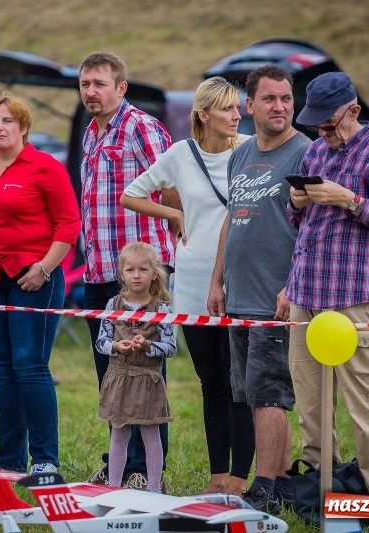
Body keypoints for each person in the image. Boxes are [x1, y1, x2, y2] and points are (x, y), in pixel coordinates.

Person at [287, 72, 369, 533]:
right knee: (312, 408)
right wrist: (298, 202)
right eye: (316, 125)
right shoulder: (317, 151)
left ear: (354, 112)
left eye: (328, 124)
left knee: (365, 406)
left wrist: (352, 200)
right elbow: (299, 223)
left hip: (355, 300)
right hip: (306, 296)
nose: (321, 132)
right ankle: (327, 499)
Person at [121, 77, 255, 495]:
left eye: (238, 108)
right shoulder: (181, 154)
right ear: (203, 114)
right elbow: (131, 194)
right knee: (211, 382)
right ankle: (218, 477)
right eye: (228, 109)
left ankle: (240, 479)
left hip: (243, 277)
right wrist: (173, 215)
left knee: (241, 384)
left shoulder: (250, 150)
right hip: (195, 278)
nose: (237, 115)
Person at [207, 65, 311, 512]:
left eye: (286, 98)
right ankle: (284, 483)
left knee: (270, 393)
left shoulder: (305, 154)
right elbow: (233, 217)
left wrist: (294, 285)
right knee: (251, 392)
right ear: (249, 106)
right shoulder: (240, 153)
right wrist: (217, 279)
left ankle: (264, 486)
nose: (280, 107)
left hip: (277, 298)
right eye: (269, 99)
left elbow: (314, 230)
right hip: (239, 294)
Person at [0, 93, 80, 474]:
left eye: (7, 121)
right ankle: (9, 459)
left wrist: (44, 268)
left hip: (34, 279)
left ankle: (45, 459)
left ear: (23, 127)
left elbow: (69, 224)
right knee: (2, 368)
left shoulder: (45, 167)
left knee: (30, 366)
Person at [79, 51, 175, 490]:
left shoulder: (141, 127)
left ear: (121, 88)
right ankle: (118, 463)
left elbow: (171, 188)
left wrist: (172, 249)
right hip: (100, 272)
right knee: (112, 374)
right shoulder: (90, 134)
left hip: (140, 276)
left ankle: (144, 469)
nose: (91, 92)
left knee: (145, 373)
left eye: (100, 84)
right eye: (85, 85)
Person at [96, 242, 176, 493]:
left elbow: (171, 348)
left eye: (143, 269)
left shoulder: (161, 309)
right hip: (118, 378)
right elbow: (101, 342)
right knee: (119, 433)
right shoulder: (113, 305)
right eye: (130, 270)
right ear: (122, 273)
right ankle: (113, 487)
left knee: (151, 433)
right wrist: (116, 346)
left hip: (148, 379)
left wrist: (148, 346)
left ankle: (153, 488)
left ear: (154, 273)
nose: (137, 275)